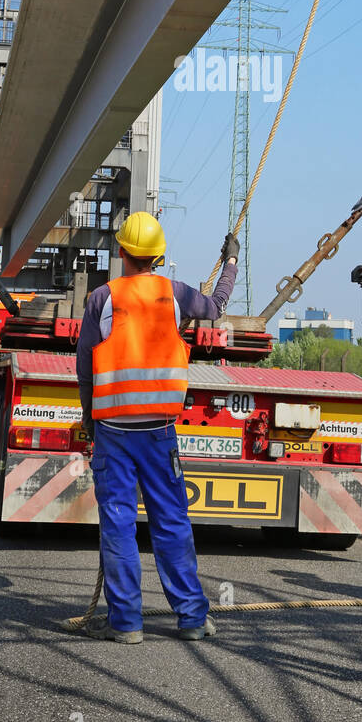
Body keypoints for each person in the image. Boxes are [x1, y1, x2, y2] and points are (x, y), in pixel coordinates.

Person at [68, 212, 238, 644]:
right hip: (160, 432)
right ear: (159, 256)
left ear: (121, 251)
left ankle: (125, 623)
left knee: (120, 523)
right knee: (171, 522)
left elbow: (85, 367)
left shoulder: (101, 299)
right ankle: (192, 619)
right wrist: (231, 263)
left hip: (113, 433)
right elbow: (215, 308)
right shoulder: (175, 293)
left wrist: (89, 416)